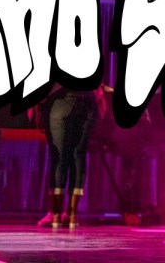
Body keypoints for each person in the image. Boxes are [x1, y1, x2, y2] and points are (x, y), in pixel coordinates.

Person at [37, 85, 104, 229]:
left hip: (61, 99)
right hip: (88, 101)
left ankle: (55, 214)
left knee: (59, 157)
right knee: (78, 156)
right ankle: (72, 214)